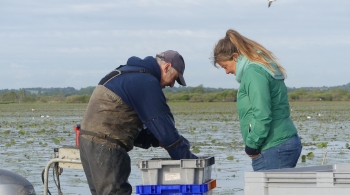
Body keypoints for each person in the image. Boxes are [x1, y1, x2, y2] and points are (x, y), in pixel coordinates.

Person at [79, 50, 198, 195]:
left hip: (88, 142)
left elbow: (124, 124)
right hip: (106, 145)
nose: (172, 85)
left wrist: (155, 140)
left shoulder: (128, 73)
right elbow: (166, 131)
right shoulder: (146, 82)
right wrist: (190, 162)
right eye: (174, 78)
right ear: (167, 67)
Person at [211, 29, 302, 171]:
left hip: (273, 146)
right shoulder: (263, 68)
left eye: (225, 66)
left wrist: (252, 145)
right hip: (281, 143)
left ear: (235, 57)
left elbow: (262, 114)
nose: (226, 72)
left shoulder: (253, 73)